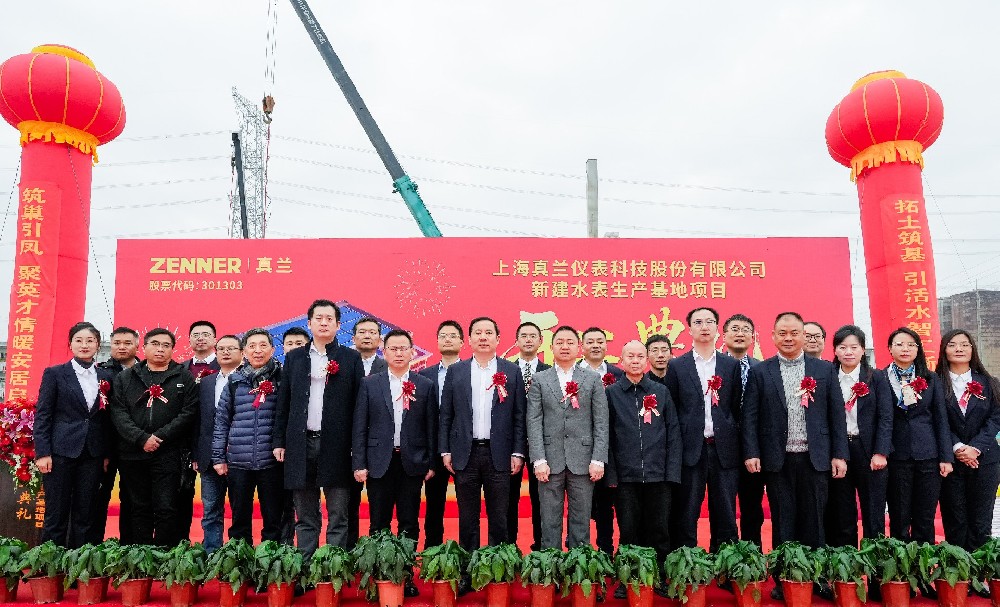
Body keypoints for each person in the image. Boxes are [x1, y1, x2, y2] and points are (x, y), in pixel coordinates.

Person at [741, 312, 848, 601]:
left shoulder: (823, 370)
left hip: (816, 457)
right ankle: (784, 579)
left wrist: (840, 454)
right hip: (778, 459)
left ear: (803, 336)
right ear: (773, 336)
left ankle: (817, 578)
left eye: (794, 333)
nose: (788, 338)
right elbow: (750, 416)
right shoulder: (761, 371)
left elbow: (836, 416)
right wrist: (752, 452)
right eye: (782, 333)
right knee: (783, 519)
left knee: (815, 520)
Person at [439, 317, 526, 594]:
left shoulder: (511, 371)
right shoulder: (457, 372)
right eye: (478, 333)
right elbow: (446, 414)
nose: (483, 337)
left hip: (499, 454)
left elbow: (519, 416)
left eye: (489, 332)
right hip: (465, 454)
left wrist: (518, 451)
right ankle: (468, 571)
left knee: (499, 517)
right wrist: (446, 450)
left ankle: (497, 572)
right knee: (468, 518)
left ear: (498, 339)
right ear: (470, 339)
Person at [274, 300, 363, 555]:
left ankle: (333, 566)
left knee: (338, 513)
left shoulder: (350, 358)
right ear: (309, 323)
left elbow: (359, 406)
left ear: (338, 325)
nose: (324, 323)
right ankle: (305, 564)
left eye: (329, 319)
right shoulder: (294, 358)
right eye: (318, 318)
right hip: (300, 444)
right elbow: (284, 403)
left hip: (337, 446)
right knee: (305, 514)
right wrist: (279, 441)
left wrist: (356, 448)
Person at [353, 329, 437, 598]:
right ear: (384, 351)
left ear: (412, 352)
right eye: (393, 348)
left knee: (409, 522)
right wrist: (359, 463)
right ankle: (380, 576)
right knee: (379, 522)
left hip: (412, 462)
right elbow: (360, 426)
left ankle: (405, 575)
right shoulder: (370, 384)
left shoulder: (425, 385)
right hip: (379, 462)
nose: (399, 353)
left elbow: (431, 427)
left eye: (404, 349)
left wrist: (431, 462)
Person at [605, 341, 681, 600]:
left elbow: (673, 434)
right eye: (630, 356)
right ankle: (628, 579)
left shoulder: (660, 391)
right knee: (628, 530)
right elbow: (607, 438)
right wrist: (611, 475)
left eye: (640, 356)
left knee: (659, 530)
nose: (635, 361)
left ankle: (657, 577)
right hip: (625, 478)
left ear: (646, 359)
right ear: (622, 361)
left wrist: (672, 473)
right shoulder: (612, 394)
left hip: (658, 476)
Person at [109, 328, 199, 546]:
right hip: (133, 453)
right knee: (138, 507)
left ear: (172, 349)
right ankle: (141, 554)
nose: (160, 349)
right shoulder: (126, 377)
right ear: (144, 347)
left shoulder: (183, 376)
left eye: (166, 345)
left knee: (166, 507)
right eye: (155, 344)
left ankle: (164, 555)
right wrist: (141, 438)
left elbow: (188, 412)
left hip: (168, 453)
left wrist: (160, 437)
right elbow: (118, 412)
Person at [666, 307, 743, 552]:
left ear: (717, 328)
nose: (704, 327)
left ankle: (724, 560)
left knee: (725, 510)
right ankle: (686, 560)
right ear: (689, 329)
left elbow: (735, 406)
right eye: (698, 322)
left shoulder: (730, 365)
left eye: (709, 322)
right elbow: (673, 409)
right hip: (691, 448)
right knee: (687, 509)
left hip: (723, 448)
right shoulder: (677, 366)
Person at [527, 325, 608, 550]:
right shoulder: (540, 379)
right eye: (560, 342)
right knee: (549, 520)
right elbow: (533, 421)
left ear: (578, 347)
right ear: (551, 347)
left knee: (581, 520)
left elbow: (601, 421)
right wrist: (538, 459)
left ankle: (578, 565)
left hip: (583, 461)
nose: (565, 346)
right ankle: (550, 563)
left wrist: (598, 459)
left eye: (570, 342)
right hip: (549, 461)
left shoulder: (592, 379)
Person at [34, 322, 114, 548]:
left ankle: (78, 562)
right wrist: (43, 452)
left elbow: (107, 420)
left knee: (85, 513)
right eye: (79, 340)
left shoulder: (105, 376)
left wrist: (106, 454)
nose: (84, 345)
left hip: (92, 454)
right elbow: (43, 415)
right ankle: (51, 563)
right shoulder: (55, 373)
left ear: (98, 344)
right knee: (56, 512)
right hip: (60, 452)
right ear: (70, 344)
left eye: (90, 340)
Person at [213, 329, 284, 543]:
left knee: (273, 519)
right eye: (252, 346)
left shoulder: (283, 379)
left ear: (273, 350)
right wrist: (218, 457)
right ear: (244, 352)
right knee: (239, 520)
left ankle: (270, 557)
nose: (258, 350)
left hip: (272, 462)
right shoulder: (234, 381)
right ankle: (240, 556)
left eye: (263, 345)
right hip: (239, 461)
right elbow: (222, 421)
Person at [824, 325, 893, 547]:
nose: (848, 352)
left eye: (854, 347)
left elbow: (886, 417)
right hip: (839, 451)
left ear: (863, 350)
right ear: (835, 350)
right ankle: (847, 562)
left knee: (873, 513)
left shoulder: (877, 377)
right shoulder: (827, 377)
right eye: (842, 347)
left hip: (869, 451)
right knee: (842, 513)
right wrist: (834, 452)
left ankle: (873, 563)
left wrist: (881, 452)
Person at [884, 327, 953, 546]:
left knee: (925, 516)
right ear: (890, 348)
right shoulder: (880, 377)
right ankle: (900, 563)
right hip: (895, 455)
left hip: (928, 455)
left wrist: (946, 457)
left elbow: (941, 419)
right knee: (899, 515)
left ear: (918, 349)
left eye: (910, 345)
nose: (905, 349)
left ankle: (923, 562)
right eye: (899, 344)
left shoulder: (931, 378)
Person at [937, 329, 1000, 552]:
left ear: (972, 349)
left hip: (985, 461)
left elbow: (996, 418)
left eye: (964, 344)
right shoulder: (935, 383)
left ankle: (980, 570)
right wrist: (958, 447)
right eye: (952, 344)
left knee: (981, 521)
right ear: (944, 350)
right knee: (955, 520)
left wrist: (975, 447)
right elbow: (937, 420)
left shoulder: (989, 383)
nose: (959, 349)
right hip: (950, 462)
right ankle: (957, 569)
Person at [192, 334, 241, 552]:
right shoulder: (206, 382)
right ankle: (212, 553)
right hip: (209, 457)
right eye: (221, 349)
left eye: (231, 348)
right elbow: (198, 421)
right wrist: (196, 454)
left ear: (242, 352)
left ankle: (237, 554)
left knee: (240, 510)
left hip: (240, 456)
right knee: (211, 509)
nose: (226, 352)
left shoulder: (249, 379)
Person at [92, 326, 140, 544]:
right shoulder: (100, 372)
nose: (122, 347)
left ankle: (129, 548)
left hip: (136, 446)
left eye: (127, 343)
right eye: (117, 343)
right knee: (98, 498)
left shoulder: (147, 372)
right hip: (105, 447)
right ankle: (93, 547)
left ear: (137, 345)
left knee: (133, 499)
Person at [418, 320, 464, 549]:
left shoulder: (471, 372)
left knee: (467, 505)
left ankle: (468, 552)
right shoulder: (424, 376)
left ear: (462, 342)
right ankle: (432, 550)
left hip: (465, 448)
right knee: (434, 505)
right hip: (434, 448)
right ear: (436, 341)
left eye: (453, 336)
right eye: (443, 335)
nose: (448, 339)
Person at [579, 326, 623, 556]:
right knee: (581, 502)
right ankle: (580, 551)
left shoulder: (619, 374)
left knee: (606, 502)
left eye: (600, 341)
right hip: (579, 448)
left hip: (612, 449)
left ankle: (606, 549)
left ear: (606, 346)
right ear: (582, 347)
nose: (595, 345)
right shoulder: (571, 373)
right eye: (590, 342)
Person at [723, 313, 765, 547]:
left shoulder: (763, 368)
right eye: (735, 329)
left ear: (753, 337)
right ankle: (725, 552)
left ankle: (752, 552)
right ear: (724, 335)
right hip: (722, 447)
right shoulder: (713, 367)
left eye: (745, 330)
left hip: (755, 448)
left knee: (752, 505)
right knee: (723, 505)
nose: (740, 334)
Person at [178, 320, 220, 541]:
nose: (200, 338)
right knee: (181, 496)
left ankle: (217, 549)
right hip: (183, 443)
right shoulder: (180, 369)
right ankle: (182, 544)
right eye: (196, 334)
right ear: (189, 340)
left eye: (205, 334)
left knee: (214, 502)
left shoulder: (225, 366)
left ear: (215, 339)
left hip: (215, 442)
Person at [510, 320, 551, 548]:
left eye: (532, 336)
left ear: (540, 341)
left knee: (541, 499)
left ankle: (541, 548)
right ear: (516, 341)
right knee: (509, 498)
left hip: (543, 444)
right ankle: (509, 548)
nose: (528, 340)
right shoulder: (506, 370)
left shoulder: (550, 372)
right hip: (511, 443)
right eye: (523, 336)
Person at [348, 317, 386, 549]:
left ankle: (377, 553)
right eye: (362, 332)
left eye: (372, 332)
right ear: (353, 338)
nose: (367, 336)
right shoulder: (343, 364)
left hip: (379, 446)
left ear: (380, 340)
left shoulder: (388, 366)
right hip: (347, 445)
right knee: (347, 505)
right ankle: (349, 551)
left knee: (379, 506)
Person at [277, 327, 310, 545]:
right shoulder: (275, 372)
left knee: (306, 503)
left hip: (306, 446)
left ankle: (307, 549)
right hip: (281, 447)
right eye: (290, 344)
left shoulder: (314, 372)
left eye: (300, 344)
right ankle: (285, 546)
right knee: (283, 503)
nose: (294, 348)